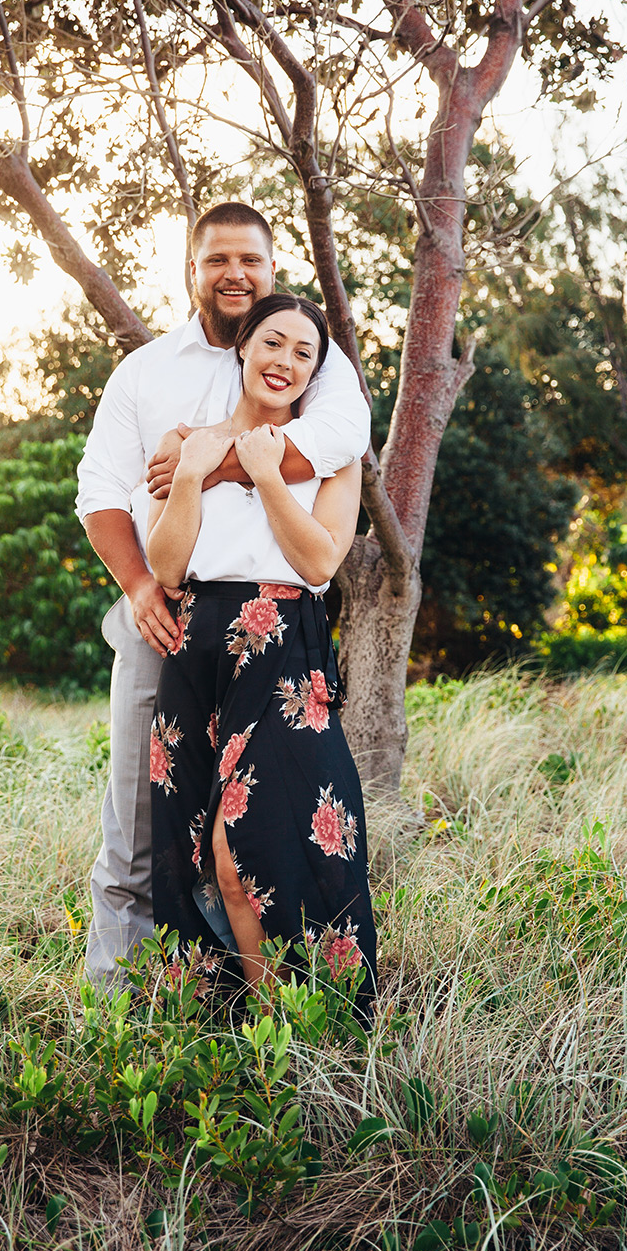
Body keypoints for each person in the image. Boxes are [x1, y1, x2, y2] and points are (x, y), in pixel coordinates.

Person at [76, 203, 370, 987]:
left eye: (252, 261)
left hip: (278, 635)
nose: (235, 274)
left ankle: (292, 1012)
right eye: (217, 260)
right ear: (192, 269)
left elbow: (341, 442)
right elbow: (101, 490)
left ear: (273, 271)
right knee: (146, 830)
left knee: (259, 837)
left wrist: (222, 463)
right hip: (171, 621)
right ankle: (132, 1004)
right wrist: (141, 583)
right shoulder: (146, 374)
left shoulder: (317, 357)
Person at [142, 294, 376, 1008]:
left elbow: (319, 565)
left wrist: (270, 476)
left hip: (281, 649)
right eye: (273, 343)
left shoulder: (330, 456)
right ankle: (224, 1028)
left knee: (249, 850)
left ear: (314, 375)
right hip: (196, 651)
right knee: (192, 853)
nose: (285, 361)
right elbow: (168, 567)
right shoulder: (189, 445)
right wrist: (189, 475)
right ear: (243, 346)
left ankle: (296, 1031)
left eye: (304, 354)